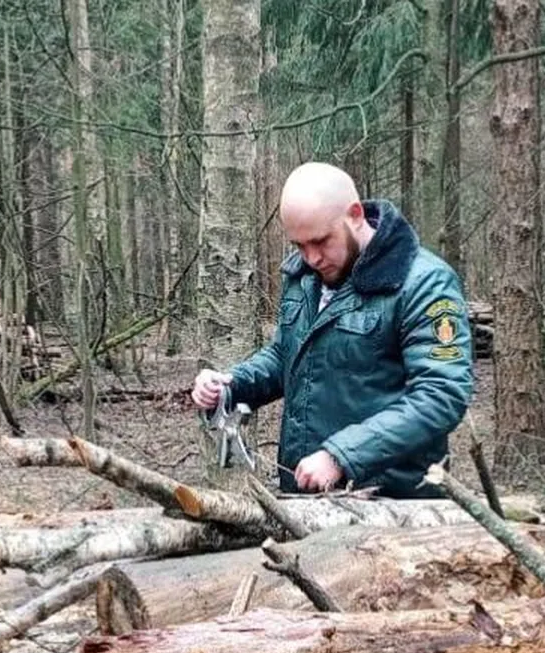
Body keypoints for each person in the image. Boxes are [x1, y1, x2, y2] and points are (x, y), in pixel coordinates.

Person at [192, 162, 474, 495]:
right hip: (303, 498)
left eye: (321, 241)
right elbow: (287, 355)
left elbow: (441, 395)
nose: (311, 258)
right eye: (299, 245)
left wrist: (341, 456)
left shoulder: (424, 283)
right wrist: (230, 385)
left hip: (393, 507)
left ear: (355, 215)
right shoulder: (303, 277)